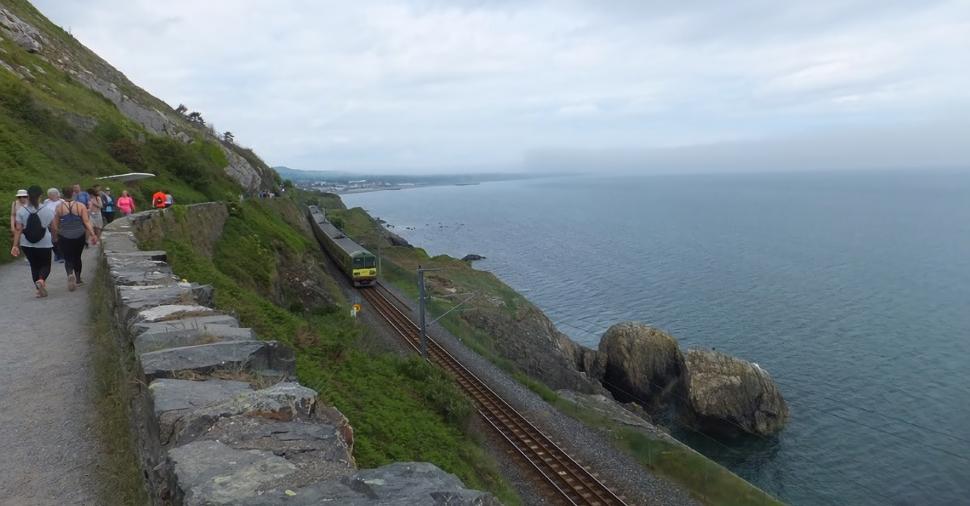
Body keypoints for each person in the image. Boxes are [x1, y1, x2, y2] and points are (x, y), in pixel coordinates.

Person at [10, 186, 56, 297]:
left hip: (26, 243)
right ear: (40, 196)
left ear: (28, 197)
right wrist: (55, 238)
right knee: (45, 265)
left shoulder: (21, 210)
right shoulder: (47, 210)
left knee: (34, 266)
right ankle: (41, 280)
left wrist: (15, 245)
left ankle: (38, 289)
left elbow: (18, 229)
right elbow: (54, 227)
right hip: (44, 243)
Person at [50, 187, 96, 291]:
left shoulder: (59, 207)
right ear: (73, 194)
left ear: (62, 195)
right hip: (79, 235)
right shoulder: (80, 206)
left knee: (68, 257)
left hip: (64, 236)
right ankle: (78, 279)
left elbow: (54, 225)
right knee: (77, 257)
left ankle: (70, 274)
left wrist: (55, 237)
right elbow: (86, 222)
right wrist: (93, 234)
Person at [43, 188, 64, 263]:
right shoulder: (46, 202)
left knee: (60, 239)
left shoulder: (62, 202)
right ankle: (57, 254)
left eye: (50, 195)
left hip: (60, 223)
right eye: (48, 195)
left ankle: (61, 256)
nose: (49, 196)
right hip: (49, 223)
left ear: (55, 194)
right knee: (52, 240)